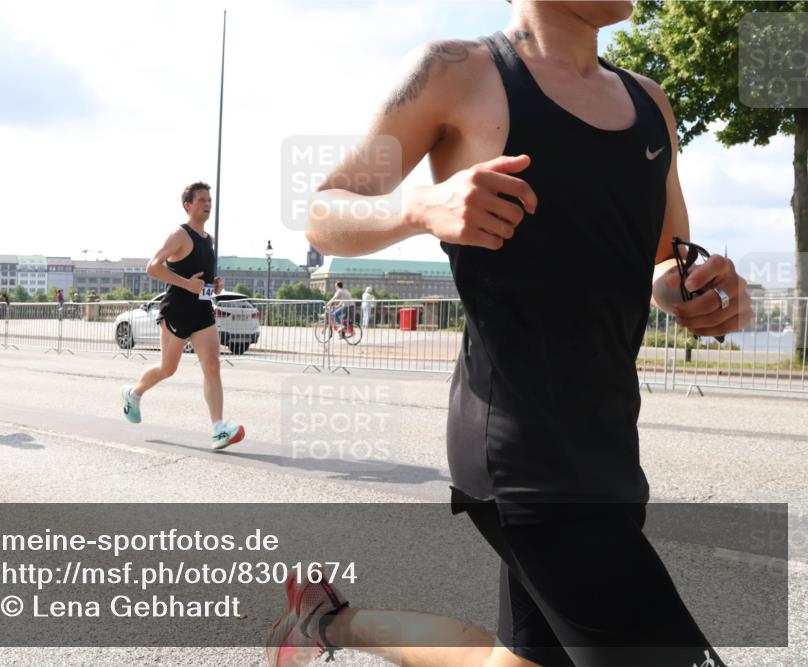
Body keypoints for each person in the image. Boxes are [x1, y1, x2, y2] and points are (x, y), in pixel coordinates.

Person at [270, 2, 754, 666]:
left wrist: (693, 294)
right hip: (522, 451)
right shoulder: (455, 71)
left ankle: (327, 623)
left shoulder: (651, 103)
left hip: (610, 440)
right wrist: (419, 206)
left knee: (519, 660)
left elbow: (663, 257)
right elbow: (322, 212)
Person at [120, 181, 245, 450]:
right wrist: (187, 284)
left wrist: (214, 285)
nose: (208, 204)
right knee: (168, 368)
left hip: (202, 311)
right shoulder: (179, 235)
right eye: (201, 200)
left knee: (212, 365)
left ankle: (218, 429)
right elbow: (152, 267)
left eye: (209, 200)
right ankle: (134, 393)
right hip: (177, 310)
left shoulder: (208, 239)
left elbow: (200, 276)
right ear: (188, 206)